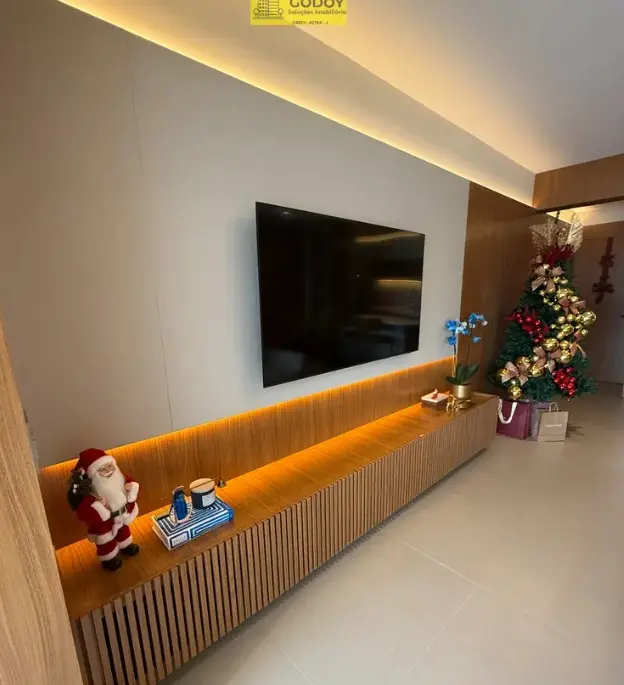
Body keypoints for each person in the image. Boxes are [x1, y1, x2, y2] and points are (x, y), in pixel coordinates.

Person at [68, 448, 140, 571]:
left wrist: (132, 487)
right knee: (106, 540)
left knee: (123, 531)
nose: (108, 471)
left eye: (110, 466)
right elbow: (82, 513)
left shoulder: (120, 478)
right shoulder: (90, 491)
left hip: (121, 515)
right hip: (104, 522)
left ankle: (125, 545)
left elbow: (134, 484)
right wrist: (98, 506)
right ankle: (109, 559)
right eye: (102, 469)